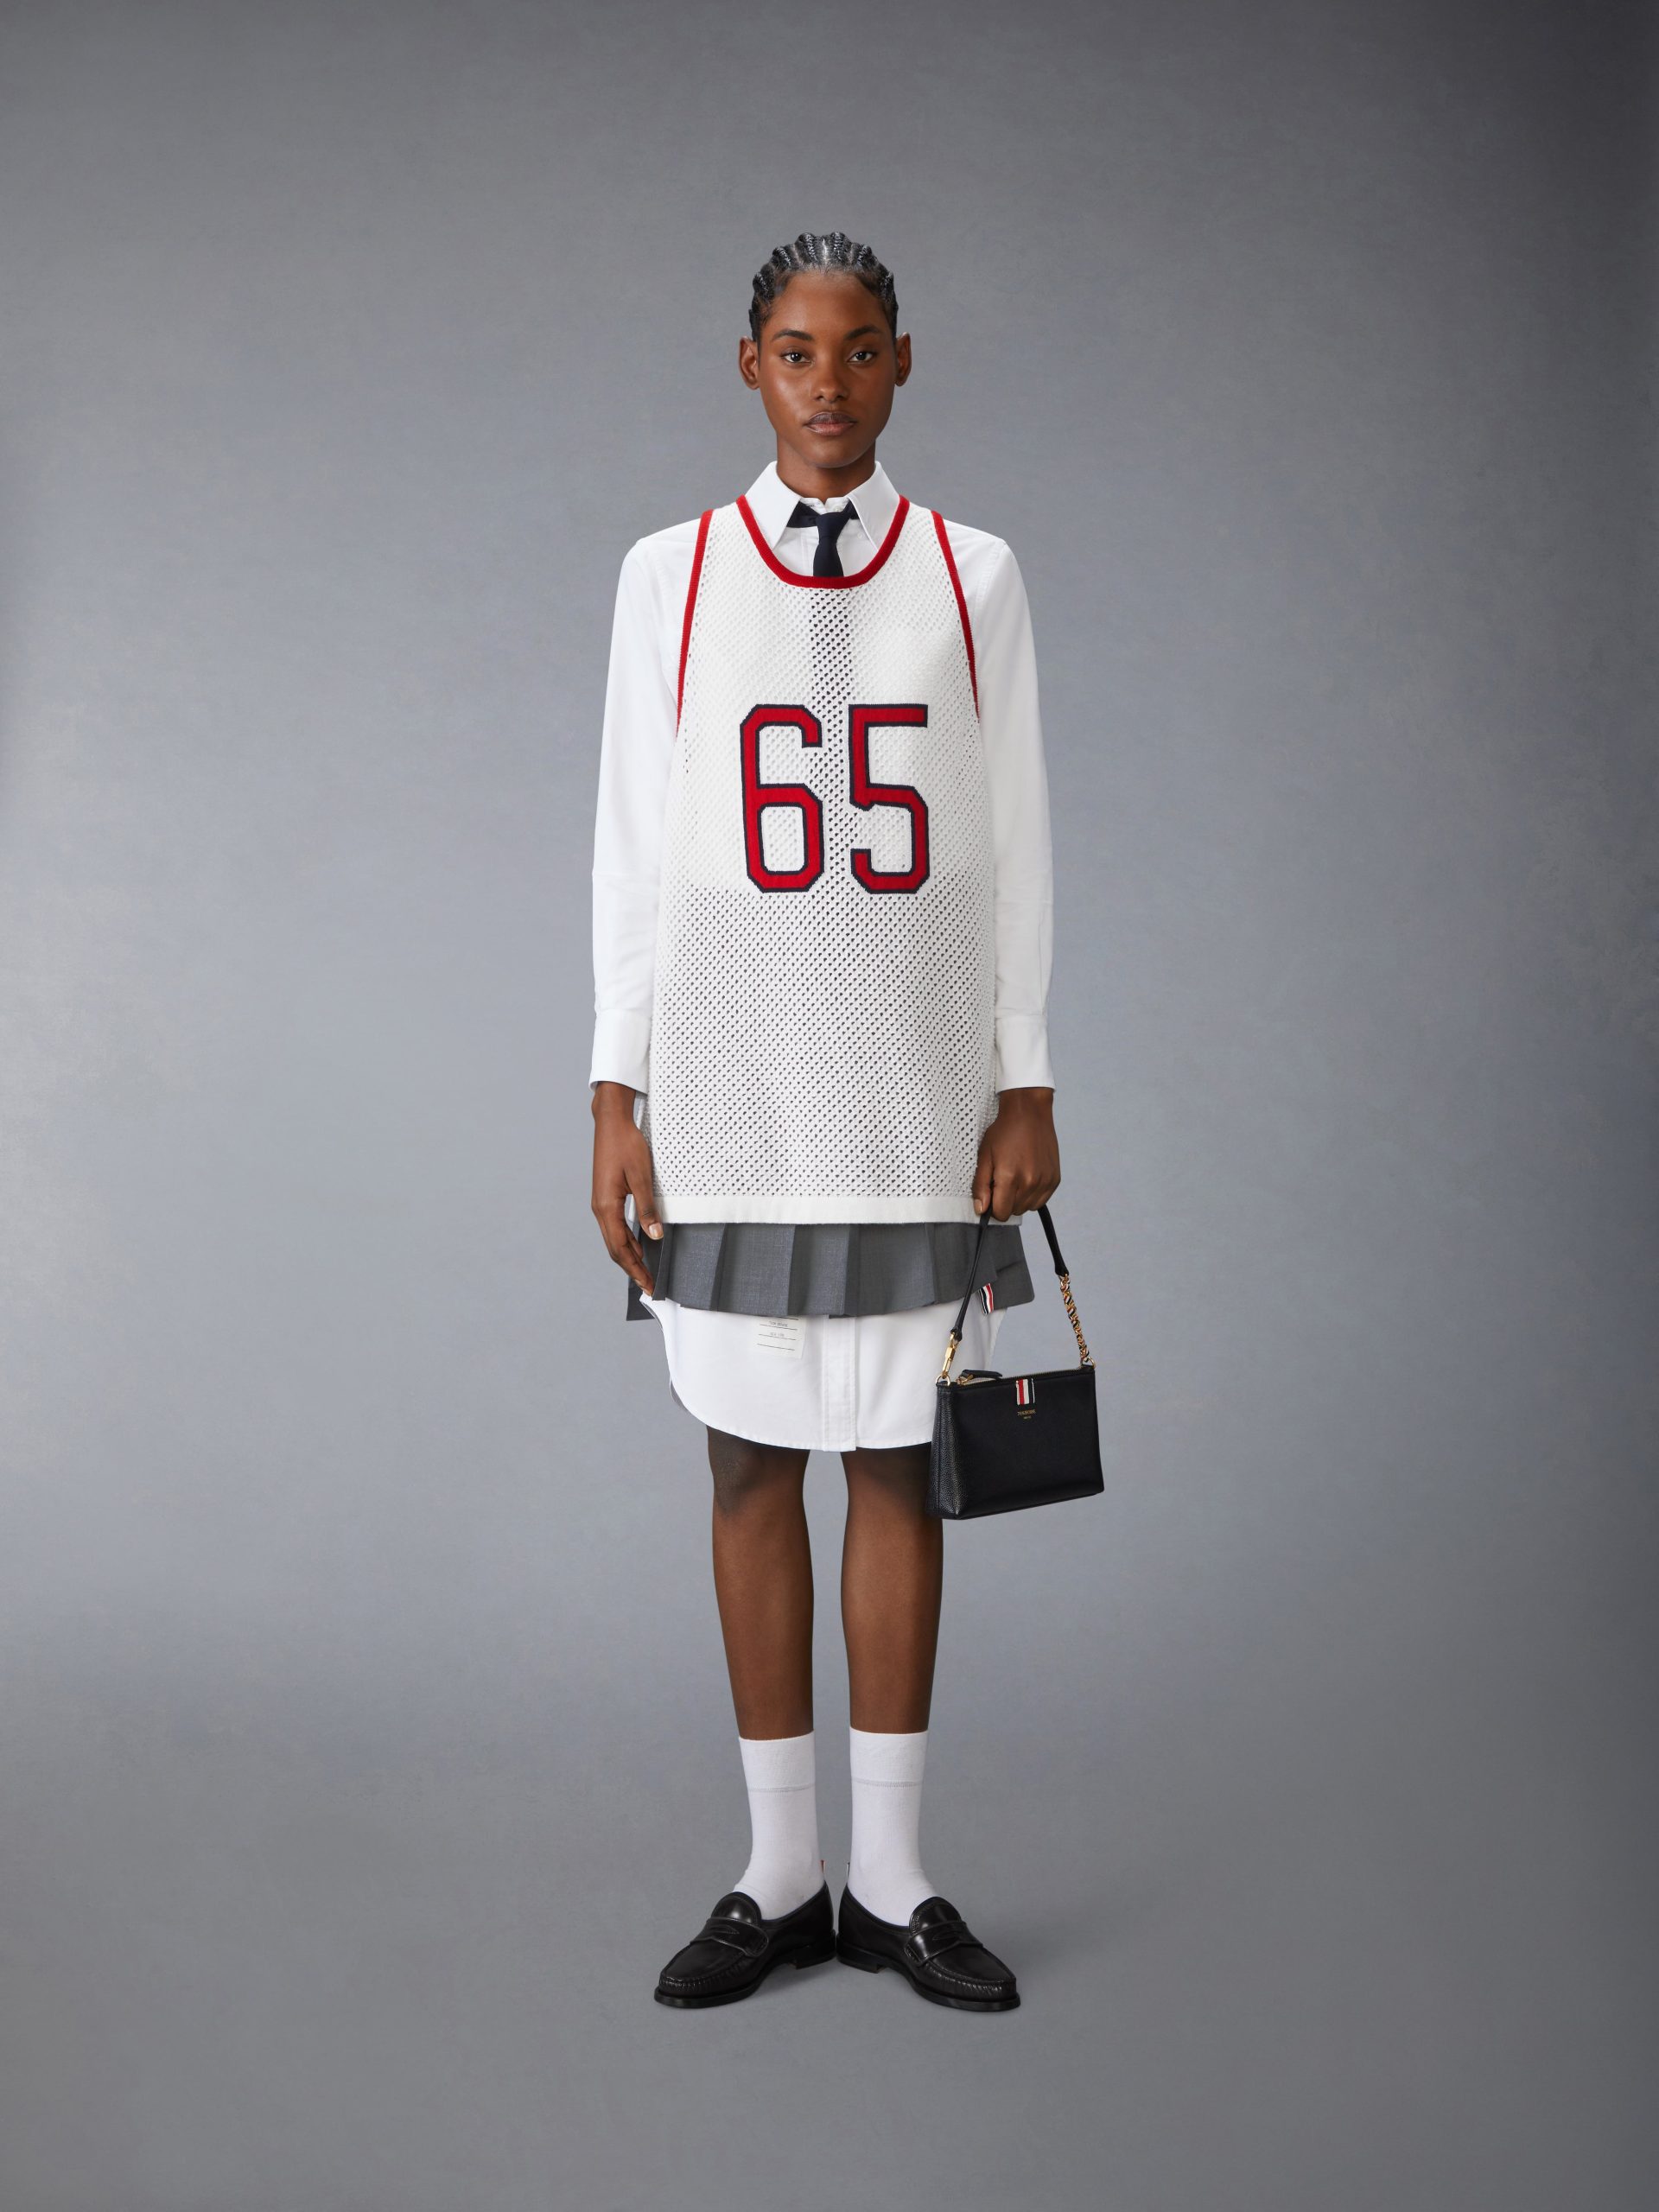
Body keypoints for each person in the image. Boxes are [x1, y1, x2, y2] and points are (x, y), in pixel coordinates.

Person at [588, 232, 1060, 2012]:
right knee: (743, 1459)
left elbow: (1013, 833)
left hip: (914, 1093)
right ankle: (779, 1870)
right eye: (797, 351)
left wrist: (1026, 1073)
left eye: (861, 352)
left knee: (897, 1461)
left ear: (903, 363)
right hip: (729, 1091)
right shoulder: (672, 576)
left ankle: (893, 1875)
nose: (830, 385)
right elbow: (634, 847)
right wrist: (616, 1088)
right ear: (750, 367)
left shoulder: (973, 572)